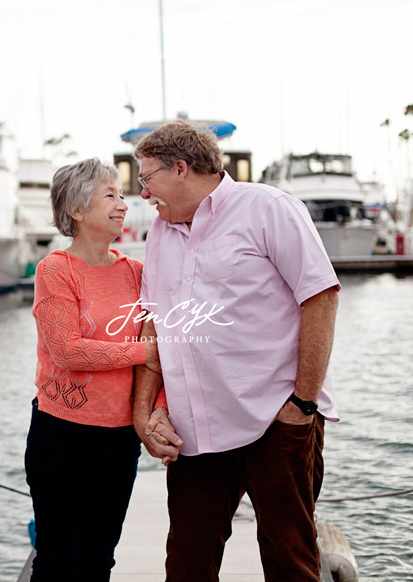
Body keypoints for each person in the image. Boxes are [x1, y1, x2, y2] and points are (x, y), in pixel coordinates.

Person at [132, 120, 340, 582]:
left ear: (181, 169)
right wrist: (143, 412)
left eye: (147, 179)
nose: (143, 194)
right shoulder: (160, 234)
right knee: (187, 562)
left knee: (290, 561)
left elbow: (321, 297)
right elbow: (151, 325)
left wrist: (302, 403)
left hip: (275, 418)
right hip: (195, 430)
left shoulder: (268, 208)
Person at [25, 158, 179, 582]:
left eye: (123, 195)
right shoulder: (55, 270)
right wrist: (139, 353)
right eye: (110, 195)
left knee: (99, 559)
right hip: (61, 437)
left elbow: (161, 355)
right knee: (58, 560)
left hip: (118, 441)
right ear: (77, 209)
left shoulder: (138, 275)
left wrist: (157, 410)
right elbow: (68, 351)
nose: (123, 204)